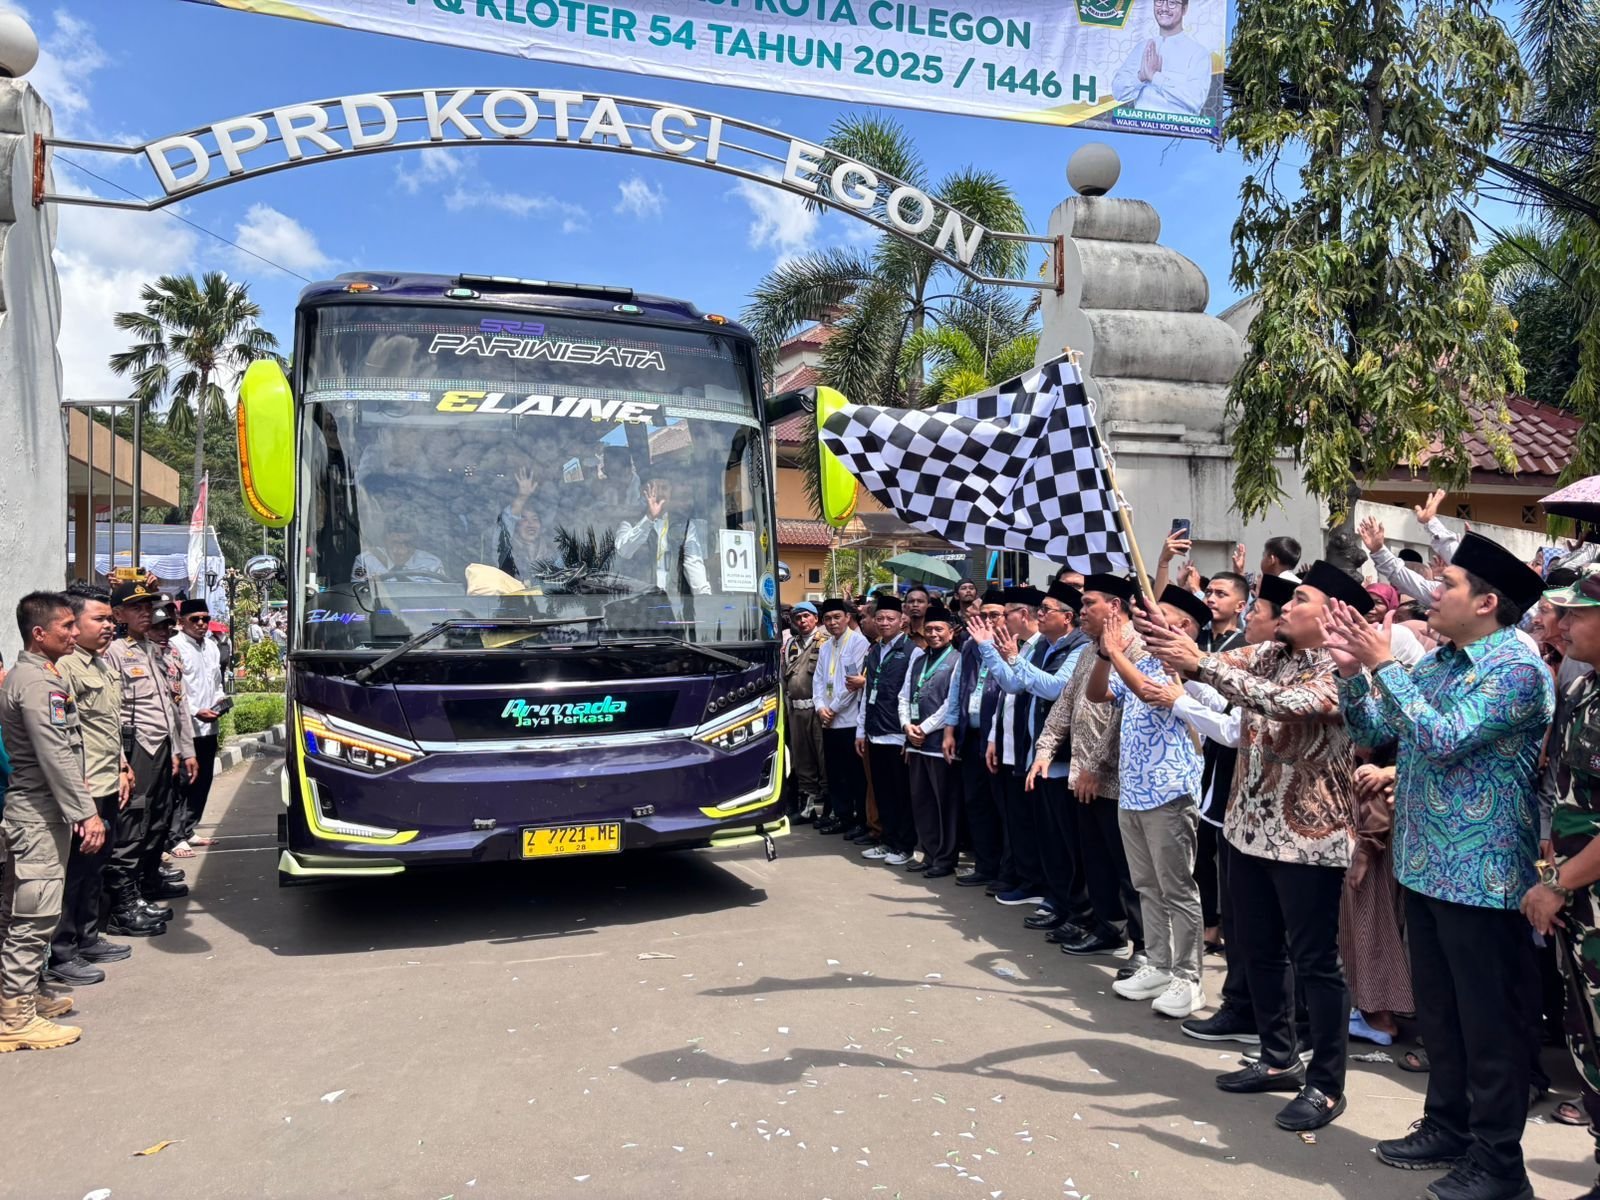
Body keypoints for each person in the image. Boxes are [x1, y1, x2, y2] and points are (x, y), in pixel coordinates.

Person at [1332, 532, 1552, 1200]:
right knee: (1443, 1015)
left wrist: (1385, 664)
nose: (1432, 589)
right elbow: (1376, 727)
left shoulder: (1516, 668)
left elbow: (1442, 737)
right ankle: (1447, 1126)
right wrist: (1351, 671)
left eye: (1447, 583)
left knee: (1488, 1025)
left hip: (1483, 877)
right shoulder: (1446, 660)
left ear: (1487, 602)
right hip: (1425, 863)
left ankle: (1500, 1163)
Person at [1143, 561, 1365, 1133]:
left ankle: (1327, 1086)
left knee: (1317, 962)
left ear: (1334, 614)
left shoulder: (1344, 668)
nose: (1286, 606)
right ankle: (1277, 1059)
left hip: (1309, 840)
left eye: (1300, 600)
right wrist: (1153, 630)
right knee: (1256, 949)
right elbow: (1212, 665)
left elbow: (1280, 702)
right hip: (1248, 827)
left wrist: (1202, 666)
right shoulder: (1269, 652)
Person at [1172, 570, 1298, 1045]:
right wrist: (1185, 680)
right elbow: (1225, 705)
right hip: (1231, 803)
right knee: (1242, 921)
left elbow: (1232, 729)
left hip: (1269, 815)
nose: (1250, 619)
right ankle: (1241, 1006)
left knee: (1265, 933)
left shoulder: (1299, 673)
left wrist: (1179, 699)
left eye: (1258, 612)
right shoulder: (1246, 661)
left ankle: (1268, 1022)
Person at [1089, 584, 1208, 1019]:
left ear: (1186, 627)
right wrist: (1106, 656)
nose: (1148, 619)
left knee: (1177, 889)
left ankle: (1189, 977)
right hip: (1133, 793)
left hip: (1170, 795)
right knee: (1147, 887)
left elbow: (1146, 692)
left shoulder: (1186, 670)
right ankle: (1158, 964)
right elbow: (1098, 695)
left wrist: (1117, 651)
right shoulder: (1139, 660)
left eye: (1164, 614)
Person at [1522, 565, 1600, 1200]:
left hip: (1585, 891)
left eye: (1576, 614)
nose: (1561, 623)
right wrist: (1555, 876)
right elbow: (1564, 797)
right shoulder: (1580, 692)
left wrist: (1557, 884)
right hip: (1578, 899)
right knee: (1586, 1037)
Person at [0, 592, 106, 1051]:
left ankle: (18, 997)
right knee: (35, 914)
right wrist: (87, 813)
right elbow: (56, 756)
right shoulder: (39, 684)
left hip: (36, 811)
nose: (72, 632)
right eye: (64, 626)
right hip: (38, 815)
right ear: (38, 634)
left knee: (17, 911)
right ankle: (15, 1017)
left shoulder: (34, 675)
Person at [1030, 574, 1147, 964]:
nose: (1081, 612)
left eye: (1088, 604)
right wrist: (1044, 750)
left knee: (1129, 867)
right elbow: (1065, 706)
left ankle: (1144, 948)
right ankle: (1106, 927)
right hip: (1084, 776)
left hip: (1120, 779)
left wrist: (1096, 765)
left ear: (1115, 607)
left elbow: (1123, 716)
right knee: (1095, 860)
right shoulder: (1088, 652)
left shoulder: (1141, 649)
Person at [977, 581, 1095, 937]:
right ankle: (1057, 901)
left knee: (1068, 844)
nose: (1038, 616)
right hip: (1039, 755)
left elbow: (1055, 688)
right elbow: (1014, 684)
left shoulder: (1080, 649)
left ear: (1068, 617)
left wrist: (1013, 658)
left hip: (1065, 761)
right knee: (1049, 840)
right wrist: (988, 650)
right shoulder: (1042, 644)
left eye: (1046, 610)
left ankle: (1077, 909)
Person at [49, 586, 137, 987]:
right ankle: (63, 950)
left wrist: (121, 765)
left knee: (94, 867)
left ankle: (87, 936)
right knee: (74, 870)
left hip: (107, 780)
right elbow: (64, 735)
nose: (109, 624)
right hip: (82, 788)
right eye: (98, 619)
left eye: (108, 618)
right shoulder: (65, 668)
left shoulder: (99, 664)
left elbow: (106, 724)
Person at [102, 581, 190, 938]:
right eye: (135, 607)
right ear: (118, 614)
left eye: (147, 606)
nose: (145, 612)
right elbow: (111, 712)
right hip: (136, 746)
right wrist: (123, 759)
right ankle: (121, 905)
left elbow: (169, 704)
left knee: (156, 820)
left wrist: (178, 748)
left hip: (159, 746)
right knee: (131, 825)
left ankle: (142, 888)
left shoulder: (151, 650)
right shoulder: (115, 652)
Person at [942, 589, 1010, 890]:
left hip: (998, 739)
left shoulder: (1012, 646)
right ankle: (984, 865)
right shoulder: (970, 645)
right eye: (984, 615)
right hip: (970, 737)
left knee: (1002, 806)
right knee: (976, 802)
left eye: (994, 615)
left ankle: (1007, 871)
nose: (987, 620)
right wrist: (949, 729)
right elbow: (958, 688)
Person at [900, 605, 963, 876]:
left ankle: (946, 858)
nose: (933, 634)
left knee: (944, 803)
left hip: (938, 744)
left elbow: (952, 702)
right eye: (929, 629)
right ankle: (927, 850)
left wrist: (924, 728)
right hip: (915, 742)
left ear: (951, 632)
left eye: (939, 629)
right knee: (921, 800)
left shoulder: (957, 659)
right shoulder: (918, 660)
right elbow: (904, 695)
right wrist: (907, 726)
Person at [856, 595, 916, 865]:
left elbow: (910, 695)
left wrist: (907, 733)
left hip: (897, 733)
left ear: (902, 620)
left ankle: (903, 846)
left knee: (900, 793)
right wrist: (860, 731)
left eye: (890, 618)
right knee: (881, 792)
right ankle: (887, 841)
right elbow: (868, 691)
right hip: (874, 731)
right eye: (879, 618)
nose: (884, 623)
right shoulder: (874, 650)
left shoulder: (913, 651)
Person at [170, 597, 225, 857]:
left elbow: (216, 683)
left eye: (205, 618)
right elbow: (175, 690)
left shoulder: (212, 646)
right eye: (195, 619)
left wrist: (220, 704)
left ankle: (190, 829)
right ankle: (175, 835)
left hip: (209, 726)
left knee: (203, 780)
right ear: (181, 622)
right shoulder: (174, 646)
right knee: (183, 781)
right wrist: (195, 711)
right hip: (186, 728)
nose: (202, 624)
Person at [813, 599, 869, 837]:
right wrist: (820, 707)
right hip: (828, 720)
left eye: (837, 617)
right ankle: (842, 816)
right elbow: (817, 679)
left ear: (847, 617)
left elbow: (853, 684)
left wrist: (833, 708)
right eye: (828, 618)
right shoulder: (826, 646)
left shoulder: (859, 643)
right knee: (835, 773)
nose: (832, 622)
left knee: (855, 774)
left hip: (849, 719)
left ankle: (861, 820)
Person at [613, 473, 711, 596]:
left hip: (671, 605)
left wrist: (706, 599)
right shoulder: (629, 522)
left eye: (665, 488)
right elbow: (624, 551)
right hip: (638, 604)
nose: (661, 493)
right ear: (643, 491)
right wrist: (649, 519)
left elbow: (694, 567)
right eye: (655, 488)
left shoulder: (684, 526)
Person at [1110, 0, 1213, 115]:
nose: (1164, 8)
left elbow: (1196, 100)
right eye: (1159, 1)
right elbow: (1117, 92)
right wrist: (1141, 77)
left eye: (1172, 3)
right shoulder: (1142, 47)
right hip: (1139, 129)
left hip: (1179, 130)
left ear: (1184, 9)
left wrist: (1155, 77)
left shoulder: (1198, 53)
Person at [782, 602, 827, 824]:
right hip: (795, 709)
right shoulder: (790, 643)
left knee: (824, 758)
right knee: (802, 760)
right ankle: (808, 807)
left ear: (816, 619)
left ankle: (829, 808)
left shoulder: (825, 642)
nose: (802, 621)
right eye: (797, 617)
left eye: (806, 616)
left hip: (818, 709)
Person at [353, 519, 445, 583]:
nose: (401, 552)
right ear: (384, 541)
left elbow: (441, 599)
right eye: (395, 543)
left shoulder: (432, 563)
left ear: (415, 543)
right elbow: (358, 598)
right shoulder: (366, 562)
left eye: (407, 543)